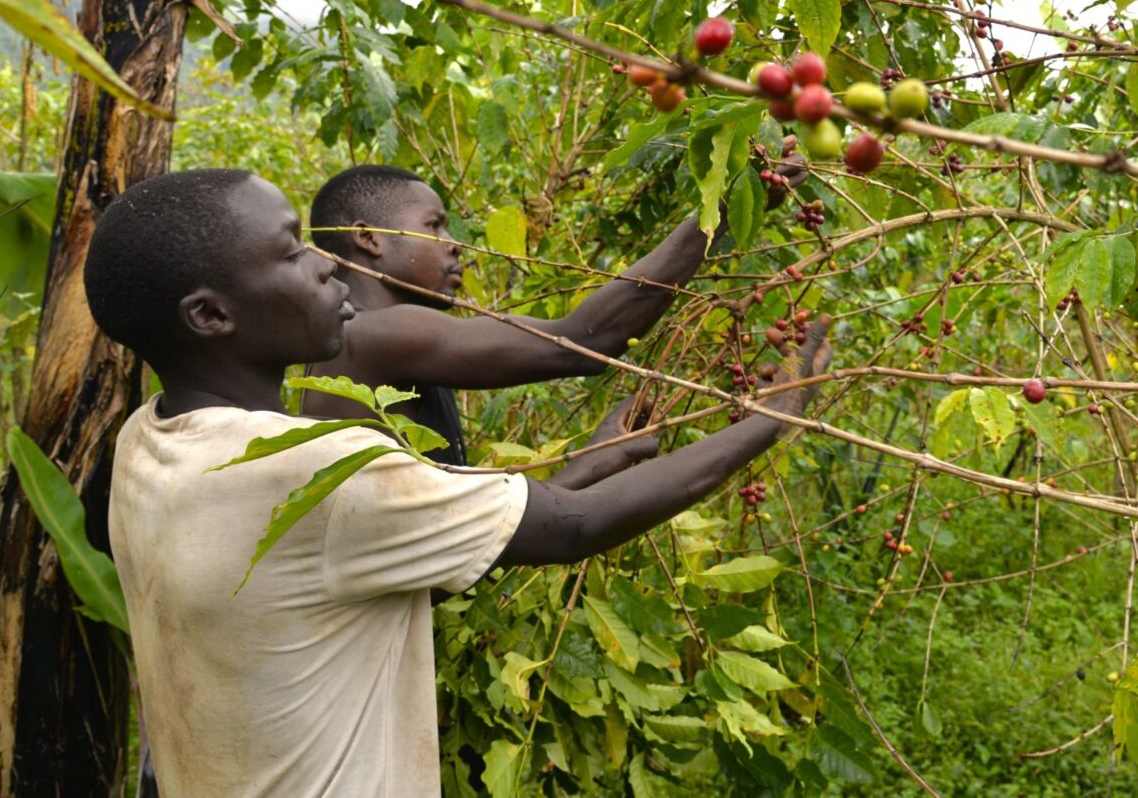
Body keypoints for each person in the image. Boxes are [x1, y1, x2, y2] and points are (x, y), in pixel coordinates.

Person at [84, 169, 830, 796]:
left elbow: (400, 545)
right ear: (211, 314)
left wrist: (598, 461)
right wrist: (769, 417)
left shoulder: (149, 441)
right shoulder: (316, 471)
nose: (324, 264)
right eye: (291, 254)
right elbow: (572, 524)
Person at [304, 162, 803, 475]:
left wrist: (592, 462)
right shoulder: (370, 334)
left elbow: (456, 537)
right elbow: (587, 339)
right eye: (434, 226)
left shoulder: (365, 341)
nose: (455, 243)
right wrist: (713, 213)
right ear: (368, 238)